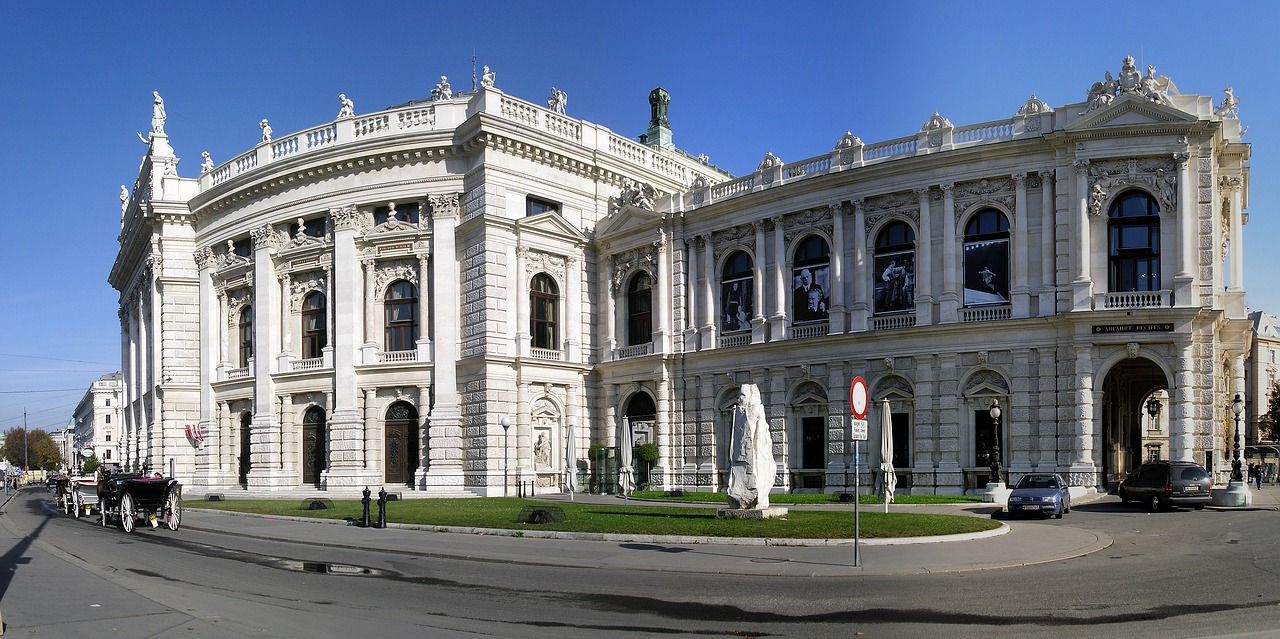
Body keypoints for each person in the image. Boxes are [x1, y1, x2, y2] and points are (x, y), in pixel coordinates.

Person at [726, 383, 774, 510]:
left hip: (751, 457)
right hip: (738, 458)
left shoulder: (756, 411)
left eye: (742, 395)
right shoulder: (737, 412)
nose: (739, 398)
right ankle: (738, 495)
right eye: (739, 395)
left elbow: (761, 436)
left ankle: (754, 496)